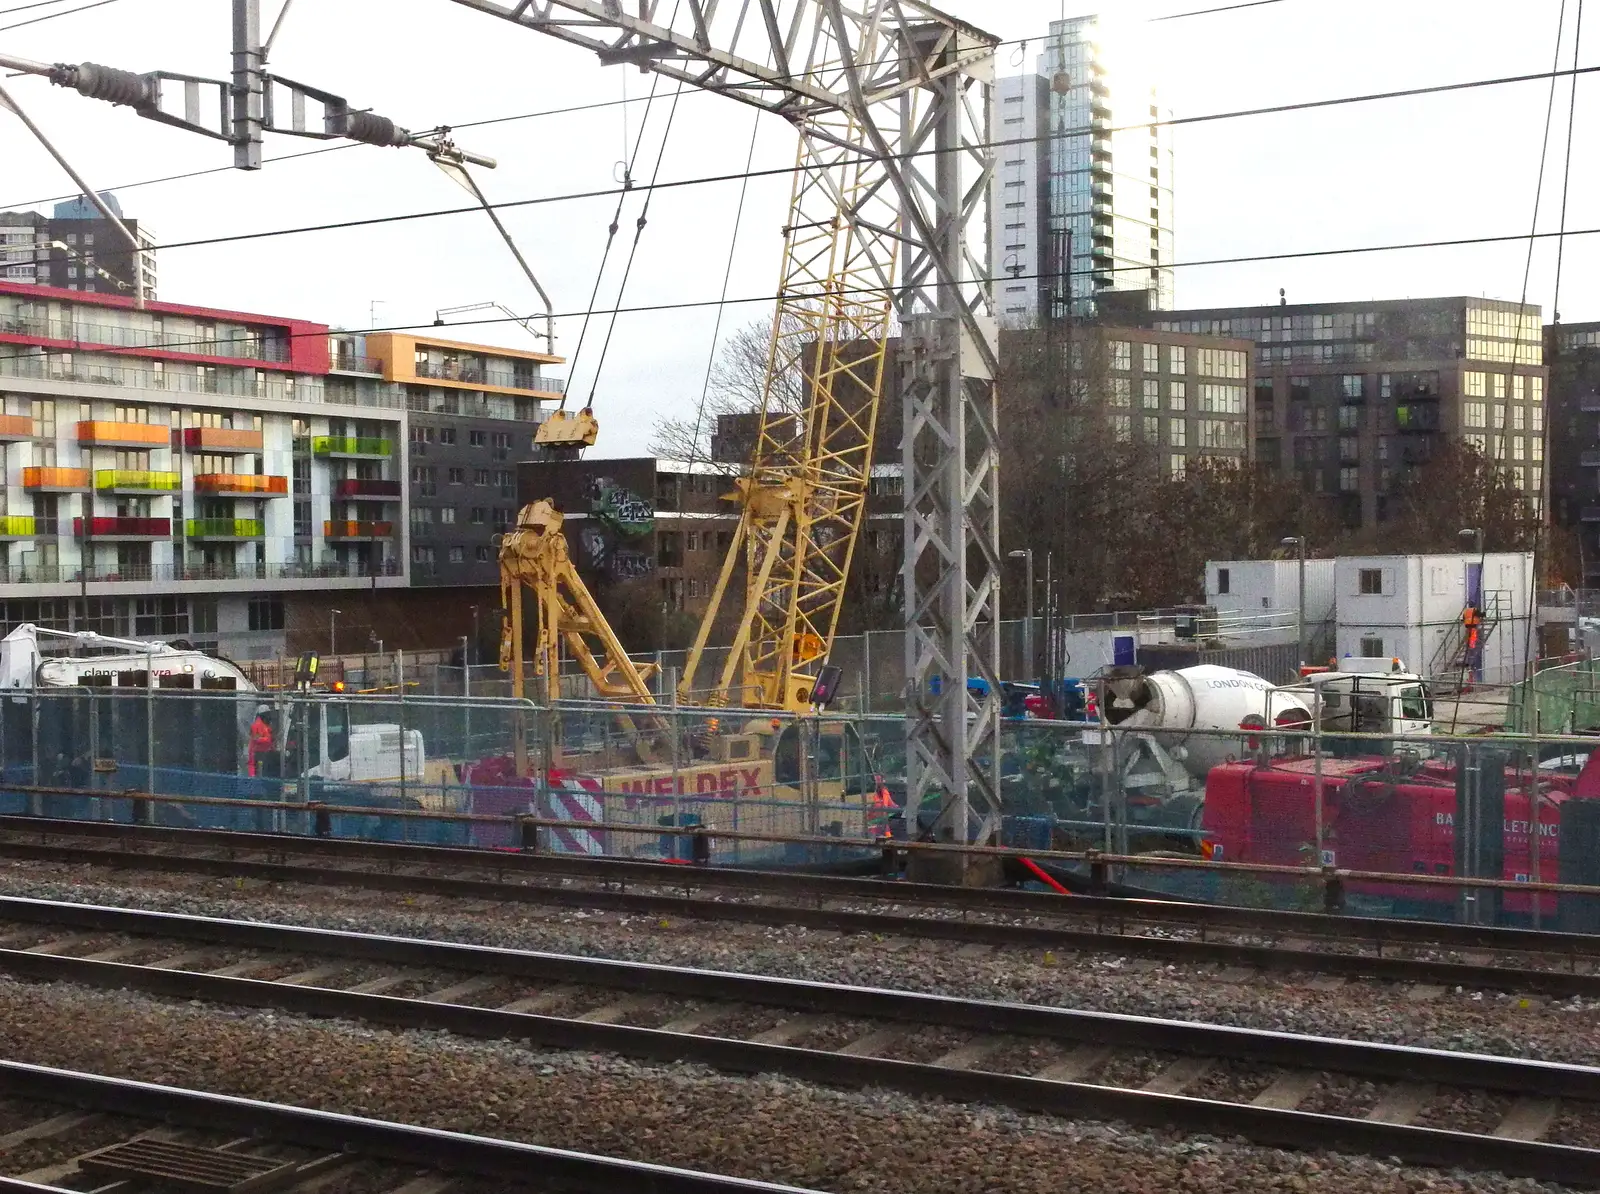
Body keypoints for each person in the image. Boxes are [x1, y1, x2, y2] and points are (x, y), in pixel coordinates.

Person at [248, 709, 275, 778]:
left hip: (265, 751)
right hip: (257, 751)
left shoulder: (266, 724)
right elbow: (256, 739)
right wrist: (268, 739)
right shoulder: (257, 725)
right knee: (255, 767)